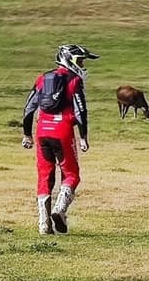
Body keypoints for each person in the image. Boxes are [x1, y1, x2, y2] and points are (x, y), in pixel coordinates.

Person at [21, 43, 99, 235]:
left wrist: (26, 134)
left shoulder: (42, 78)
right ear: (69, 60)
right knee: (71, 174)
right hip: (62, 130)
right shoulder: (74, 81)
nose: (82, 65)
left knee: (44, 176)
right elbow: (80, 110)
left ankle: (43, 224)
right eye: (80, 61)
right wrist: (84, 137)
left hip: (42, 131)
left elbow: (29, 108)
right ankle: (60, 210)